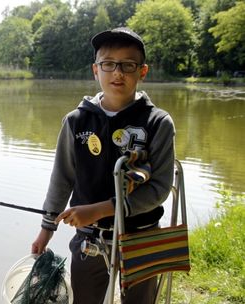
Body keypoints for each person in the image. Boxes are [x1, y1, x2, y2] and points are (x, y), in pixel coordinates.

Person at [31, 27, 175, 304]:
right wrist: (47, 228)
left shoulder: (158, 122)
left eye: (127, 65)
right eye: (108, 64)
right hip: (89, 240)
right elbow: (62, 178)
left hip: (142, 234)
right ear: (95, 70)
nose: (117, 73)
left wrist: (101, 209)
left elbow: (159, 188)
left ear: (142, 72)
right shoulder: (76, 121)